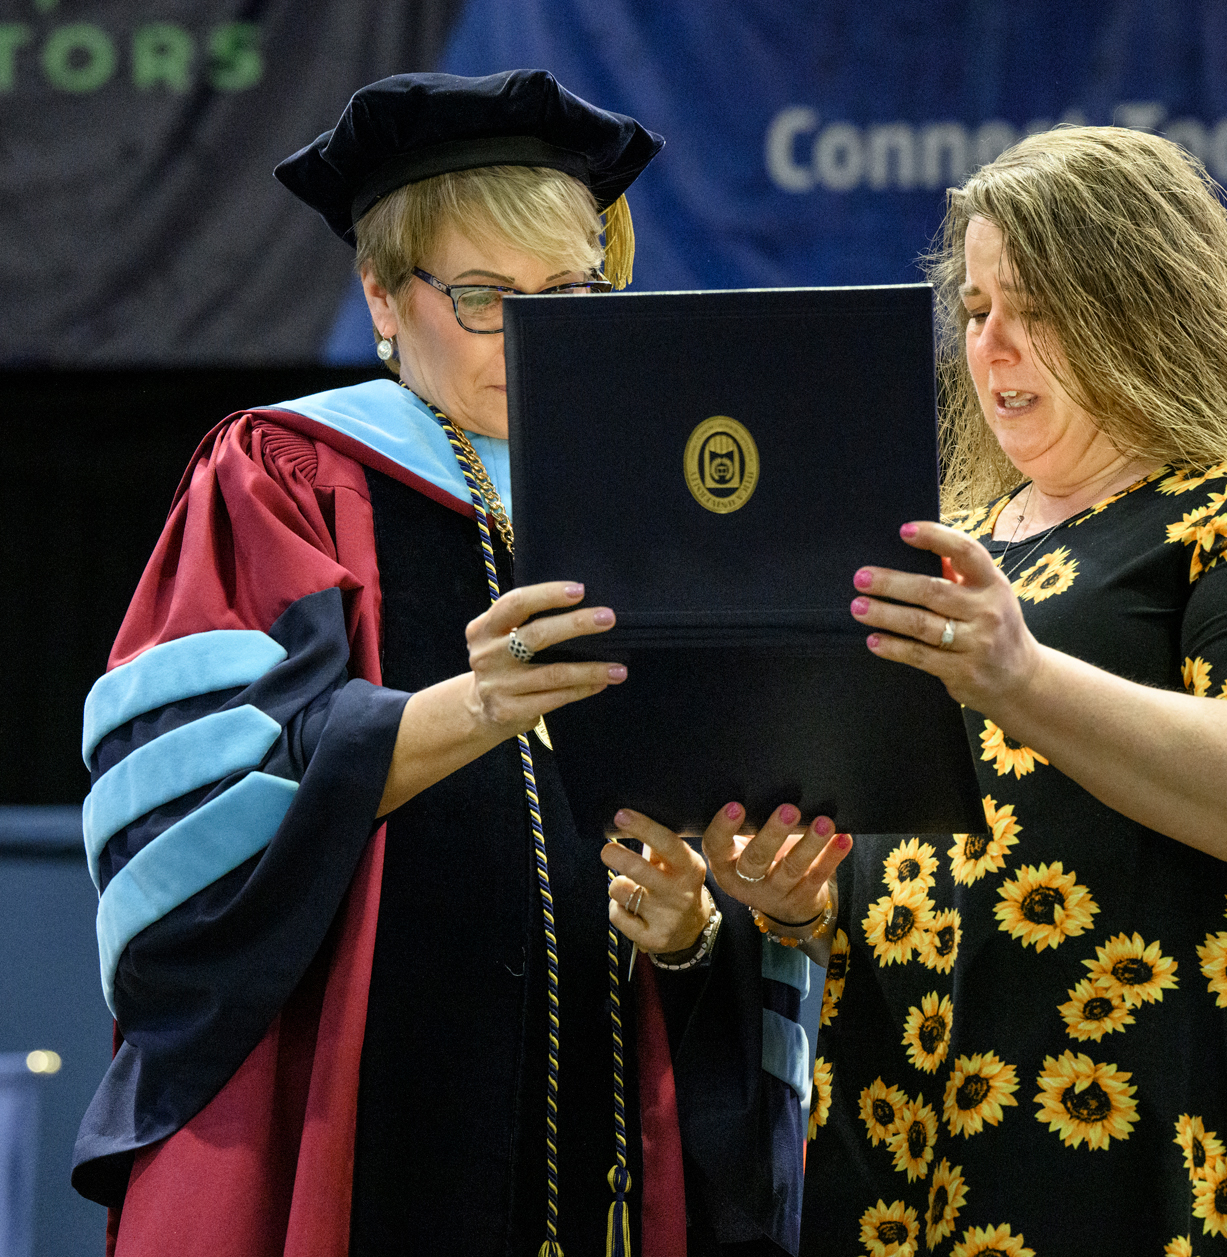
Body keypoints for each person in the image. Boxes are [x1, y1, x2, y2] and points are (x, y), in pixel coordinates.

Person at [71, 69, 836, 1257]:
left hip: (615, 1111)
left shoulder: (668, 510)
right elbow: (186, 828)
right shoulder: (282, 478)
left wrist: (698, 929)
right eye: (482, 296)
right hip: (353, 1111)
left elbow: (751, 844)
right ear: (381, 295)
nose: (531, 334)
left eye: (570, 292)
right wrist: (465, 707)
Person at [768, 124, 1227, 1256]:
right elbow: (925, 844)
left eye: (1033, 306)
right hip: (906, 1145)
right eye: (978, 307)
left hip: (1160, 1144)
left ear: (1144, 306)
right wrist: (794, 900)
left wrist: (1020, 674)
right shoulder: (956, 541)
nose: (991, 344)